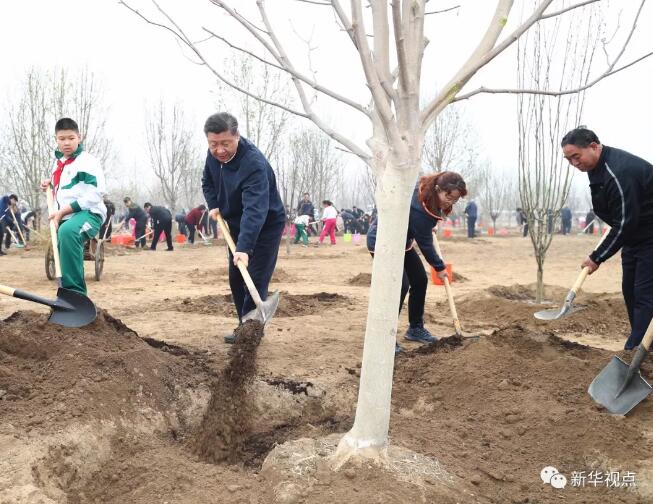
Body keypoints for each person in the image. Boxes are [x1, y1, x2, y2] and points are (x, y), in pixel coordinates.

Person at [561, 127, 653, 350]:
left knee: (644, 294)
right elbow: (620, 219)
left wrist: (597, 257)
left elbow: (625, 223)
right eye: (569, 159)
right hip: (637, 236)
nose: (574, 163)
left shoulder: (619, 172)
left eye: (576, 156)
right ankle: (645, 345)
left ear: (593, 146)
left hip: (649, 235)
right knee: (630, 289)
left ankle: (636, 351)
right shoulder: (597, 168)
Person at [202, 112, 285, 343]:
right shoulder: (213, 157)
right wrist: (214, 205)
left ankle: (250, 333)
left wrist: (245, 247)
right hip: (236, 224)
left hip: (265, 225)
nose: (219, 150)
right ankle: (244, 326)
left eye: (225, 143)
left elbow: (255, 209)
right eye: (213, 144)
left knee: (255, 277)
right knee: (236, 279)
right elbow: (207, 182)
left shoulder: (253, 164)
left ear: (237, 136)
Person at [367, 171, 467, 352]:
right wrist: (439, 267)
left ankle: (415, 328)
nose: (450, 202)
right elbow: (425, 244)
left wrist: (427, 228)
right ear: (438, 189)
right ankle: (384, 336)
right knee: (401, 285)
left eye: (454, 200)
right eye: (448, 197)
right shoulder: (420, 207)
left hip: (401, 243)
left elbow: (421, 227)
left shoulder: (427, 193)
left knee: (420, 280)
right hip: (383, 243)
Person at [39, 118, 107, 295]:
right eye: (62, 139)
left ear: (79, 137)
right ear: (56, 139)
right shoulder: (58, 163)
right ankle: (66, 295)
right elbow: (66, 190)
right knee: (62, 241)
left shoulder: (88, 162)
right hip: (66, 216)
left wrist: (62, 211)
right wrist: (51, 185)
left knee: (68, 232)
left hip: (89, 213)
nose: (66, 143)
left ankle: (75, 296)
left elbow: (95, 193)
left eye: (71, 138)